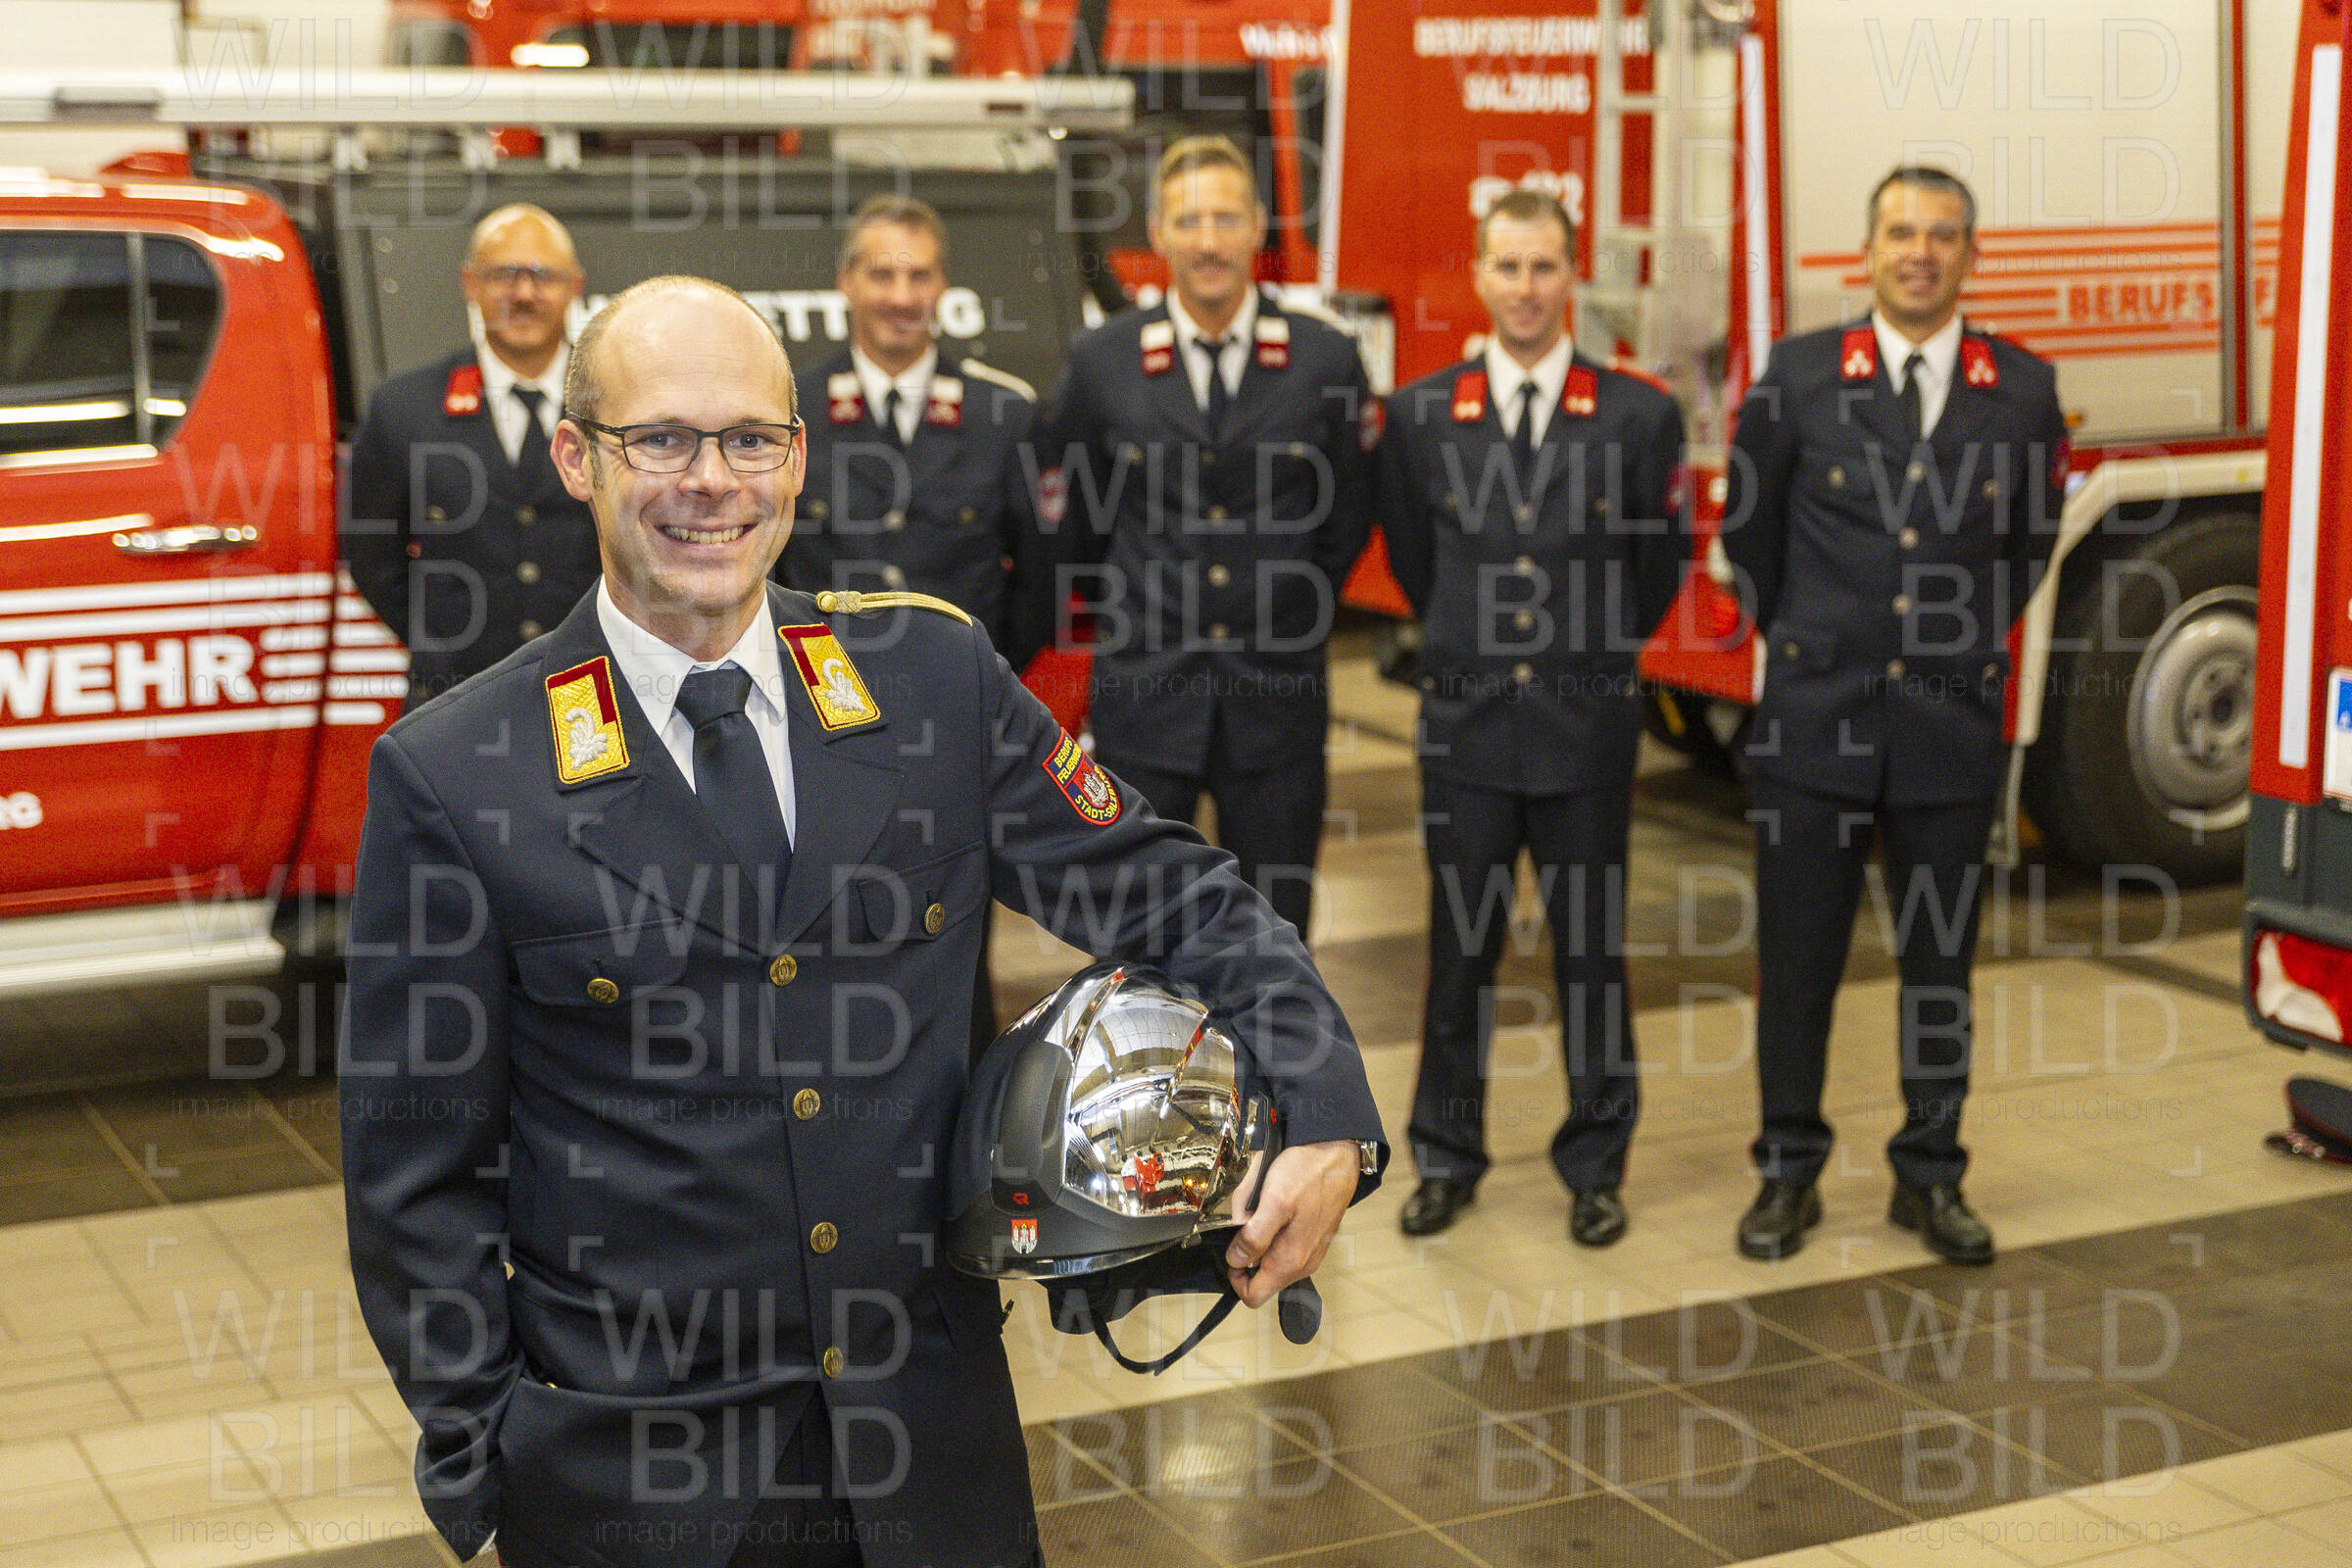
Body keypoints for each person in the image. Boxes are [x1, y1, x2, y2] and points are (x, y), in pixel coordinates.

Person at [339, 274, 1386, 1568]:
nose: (709, 481)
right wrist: (490, 1452)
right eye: (659, 439)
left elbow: (1172, 890)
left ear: (796, 458)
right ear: (575, 458)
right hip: (638, 1488)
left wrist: (1325, 1106)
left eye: (749, 439)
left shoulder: (930, 682)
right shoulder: (460, 770)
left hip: (932, 1462)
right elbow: (413, 1178)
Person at [1722, 167, 2065, 1265]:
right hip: (1815, 720)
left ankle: (1930, 1173)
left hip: (1947, 725)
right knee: (1798, 964)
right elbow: (1748, 536)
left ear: (1971, 255)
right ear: (1865, 251)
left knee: (1939, 971)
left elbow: (2027, 547)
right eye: (1902, 233)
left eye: (1943, 235)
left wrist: (1952, 642)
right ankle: (1787, 1171)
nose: (1921, 252)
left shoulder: (2022, 388)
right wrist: (1817, 635)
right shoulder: (1800, 377)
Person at [1374, 189, 1689, 1247]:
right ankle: (1446, 1155)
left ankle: (1596, 1165)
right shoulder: (1422, 414)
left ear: (1573, 276)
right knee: (1459, 956)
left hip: (1583, 730)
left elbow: (1655, 570)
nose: (1525, 288)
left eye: (1544, 267)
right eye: (1506, 267)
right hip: (1466, 731)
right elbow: (1417, 561)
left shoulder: (1637, 415)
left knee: (1591, 959)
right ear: (1478, 274)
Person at [1039, 134, 1376, 940]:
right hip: (1146, 703)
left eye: (1226, 219)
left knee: (1276, 942)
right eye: (1188, 221)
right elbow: (1075, 526)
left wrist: (1293, 608)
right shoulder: (1103, 360)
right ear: (1158, 232)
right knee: (1138, 940)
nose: (1209, 241)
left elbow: (1348, 517)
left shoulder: (1325, 359)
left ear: (1258, 226)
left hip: (1278, 702)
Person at [780, 194, 1054, 1050]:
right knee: (820, 941)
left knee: (954, 946)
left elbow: (1039, 583)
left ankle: (962, 1118)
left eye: (919, 274)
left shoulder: (1004, 413)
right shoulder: (791, 411)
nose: (901, 295)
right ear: (846, 282)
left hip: (950, 728)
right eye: (882, 274)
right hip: (819, 728)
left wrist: (966, 678)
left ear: (943, 285)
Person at [343, 204, 601, 709]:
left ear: (575, 286)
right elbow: (371, 556)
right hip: (454, 698)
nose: (524, 294)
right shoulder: (403, 408)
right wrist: (442, 643)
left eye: (543, 276)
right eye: (504, 274)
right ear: (469, 283)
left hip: (593, 693)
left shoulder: (618, 405)